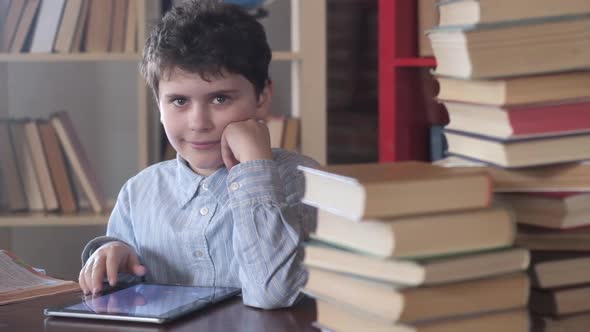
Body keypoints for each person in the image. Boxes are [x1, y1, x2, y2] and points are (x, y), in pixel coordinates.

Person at [78, 0, 318, 309]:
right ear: (158, 103)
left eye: (220, 98)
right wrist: (115, 259)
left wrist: (256, 169)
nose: (199, 123)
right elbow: (125, 299)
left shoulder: (304, 182)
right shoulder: (139, 192)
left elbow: (272, 293)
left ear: (262, 97)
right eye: (179, 101)